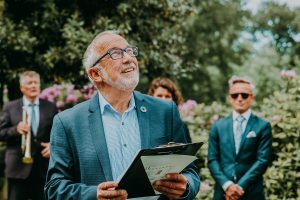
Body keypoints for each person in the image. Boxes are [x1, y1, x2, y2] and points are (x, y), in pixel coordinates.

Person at [45, 30, 200, 200]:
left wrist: (185, 187)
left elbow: (190, 171)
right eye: (115, 53)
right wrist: (93, 195)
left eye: (130, 50)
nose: (128, 58)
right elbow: (54, 187)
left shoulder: (165, 111)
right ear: (95, 74)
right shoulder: (67, 122)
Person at [207, 76, 272, 200]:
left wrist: (240, 186)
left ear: (252, 98)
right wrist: (228, 185)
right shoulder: (218, 126)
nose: (239, 98)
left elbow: (263, 160)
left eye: (244, 95)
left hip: (252, 193)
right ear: (229, 98)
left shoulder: (263, 126)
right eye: (235, 95)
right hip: (223, 193)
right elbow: (212, 160)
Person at [0, 71, 57, 200]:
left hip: (43, 168)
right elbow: (1, 133)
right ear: (21, 88)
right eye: (29, 83)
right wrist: (16, 129)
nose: (33, 86)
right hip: (17, 168)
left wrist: (53, 145)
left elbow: (58, 134)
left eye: (35, 83)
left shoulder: (50, 107)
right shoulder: (10, 107)